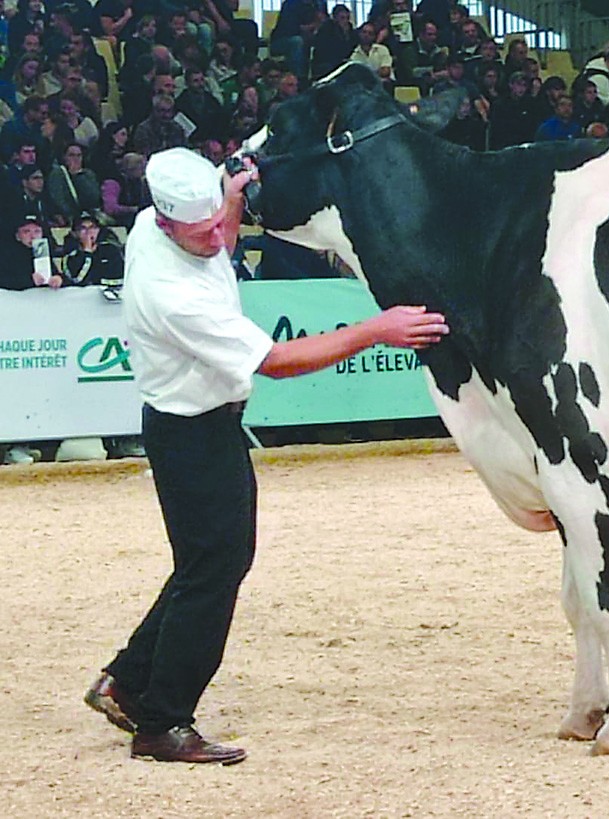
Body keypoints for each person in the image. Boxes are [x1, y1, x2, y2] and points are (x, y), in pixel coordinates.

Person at [83, 147, 450, 764]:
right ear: (167, 222)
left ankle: (126, 680)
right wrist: (375, 328)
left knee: (206, 564)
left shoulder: (155, 226)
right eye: (200, 231)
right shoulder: (171, 293)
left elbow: (221, 235)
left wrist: (230, 198)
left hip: (199, 426)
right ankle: (162, 722)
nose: (216, 239)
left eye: (215, 224)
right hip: (193, 433)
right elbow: (277, 363)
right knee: (215, 572)